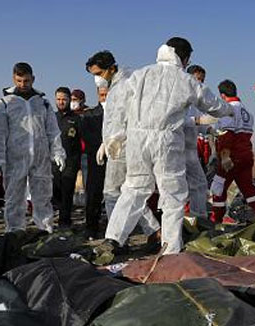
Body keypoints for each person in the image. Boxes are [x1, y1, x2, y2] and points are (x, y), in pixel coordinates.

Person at [101, 37, 233, 256]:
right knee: (172, 194)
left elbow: (118, 104)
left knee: (134, 189)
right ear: (186, 57)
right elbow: (211, 103)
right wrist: (229, 110)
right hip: (166, 142)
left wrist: (115, 135)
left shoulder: (140, 74)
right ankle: (170, 248)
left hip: (136, 140)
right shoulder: (185, 80)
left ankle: (113, 238)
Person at [86, 50, 161, 237]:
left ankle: (116, 238)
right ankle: (154, 232)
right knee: (129, 193)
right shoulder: (118, 85)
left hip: (123, 146)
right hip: (119, 145)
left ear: (111, 68)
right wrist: (105, 142)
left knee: (112, 193)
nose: (97, 79)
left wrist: (113, 140)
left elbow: (126, 118)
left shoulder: (124, 86)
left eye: (98, 74)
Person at [0, 62, 66, 233]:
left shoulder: (43, 103)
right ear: (13, 79)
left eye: (26, 81)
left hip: (41, 158)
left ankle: (44, 229)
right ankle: (15, 231)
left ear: (33, 79)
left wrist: (57, 151)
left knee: (43, 197)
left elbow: (53, 131)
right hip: (15, 158)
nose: (22, 85)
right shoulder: (4, 103)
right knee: (14, 197)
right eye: (19, 81)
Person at [210, 80, 255, 223]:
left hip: (231, 158)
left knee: (218, 188)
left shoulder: (227, 110)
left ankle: (215, 221)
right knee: (249, 189)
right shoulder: (247, 112)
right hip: (246, 157)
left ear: (222, 96)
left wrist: (224, 156)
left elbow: (227, 135)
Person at [79, 86, 108, 239]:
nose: (104, 97)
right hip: (95, 159)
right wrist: (99, 146)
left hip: (115, 158)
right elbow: (86, 134)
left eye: (107, 94)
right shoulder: (89, 114)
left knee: (113, 194)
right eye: (102, 94)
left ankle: (112, 227)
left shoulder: (118, 113)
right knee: (93, 194)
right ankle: (91, 227)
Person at [53, 87, 83, 229]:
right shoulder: (51, 117)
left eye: (64, 99)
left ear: (69, 99)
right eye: (58, 99)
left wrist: (77, 163)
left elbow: (82, 140)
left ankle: (64, 222)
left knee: (67, 192)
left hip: (70, 161)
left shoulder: (77, 119)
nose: (61, 102)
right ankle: (54, 216)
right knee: (55, 192)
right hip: (53, 161)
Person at [185, 64, 212, 217]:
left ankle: (198, 218)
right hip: (175, 149)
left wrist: (210, 130)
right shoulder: (179, 96)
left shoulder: (195, 103)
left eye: (202, 80)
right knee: (179, 189)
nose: (200, 83)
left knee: (200, 184)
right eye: (197, 80)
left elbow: (200, 124)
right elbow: (175, 121)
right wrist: (195, 120)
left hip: (190, 151)